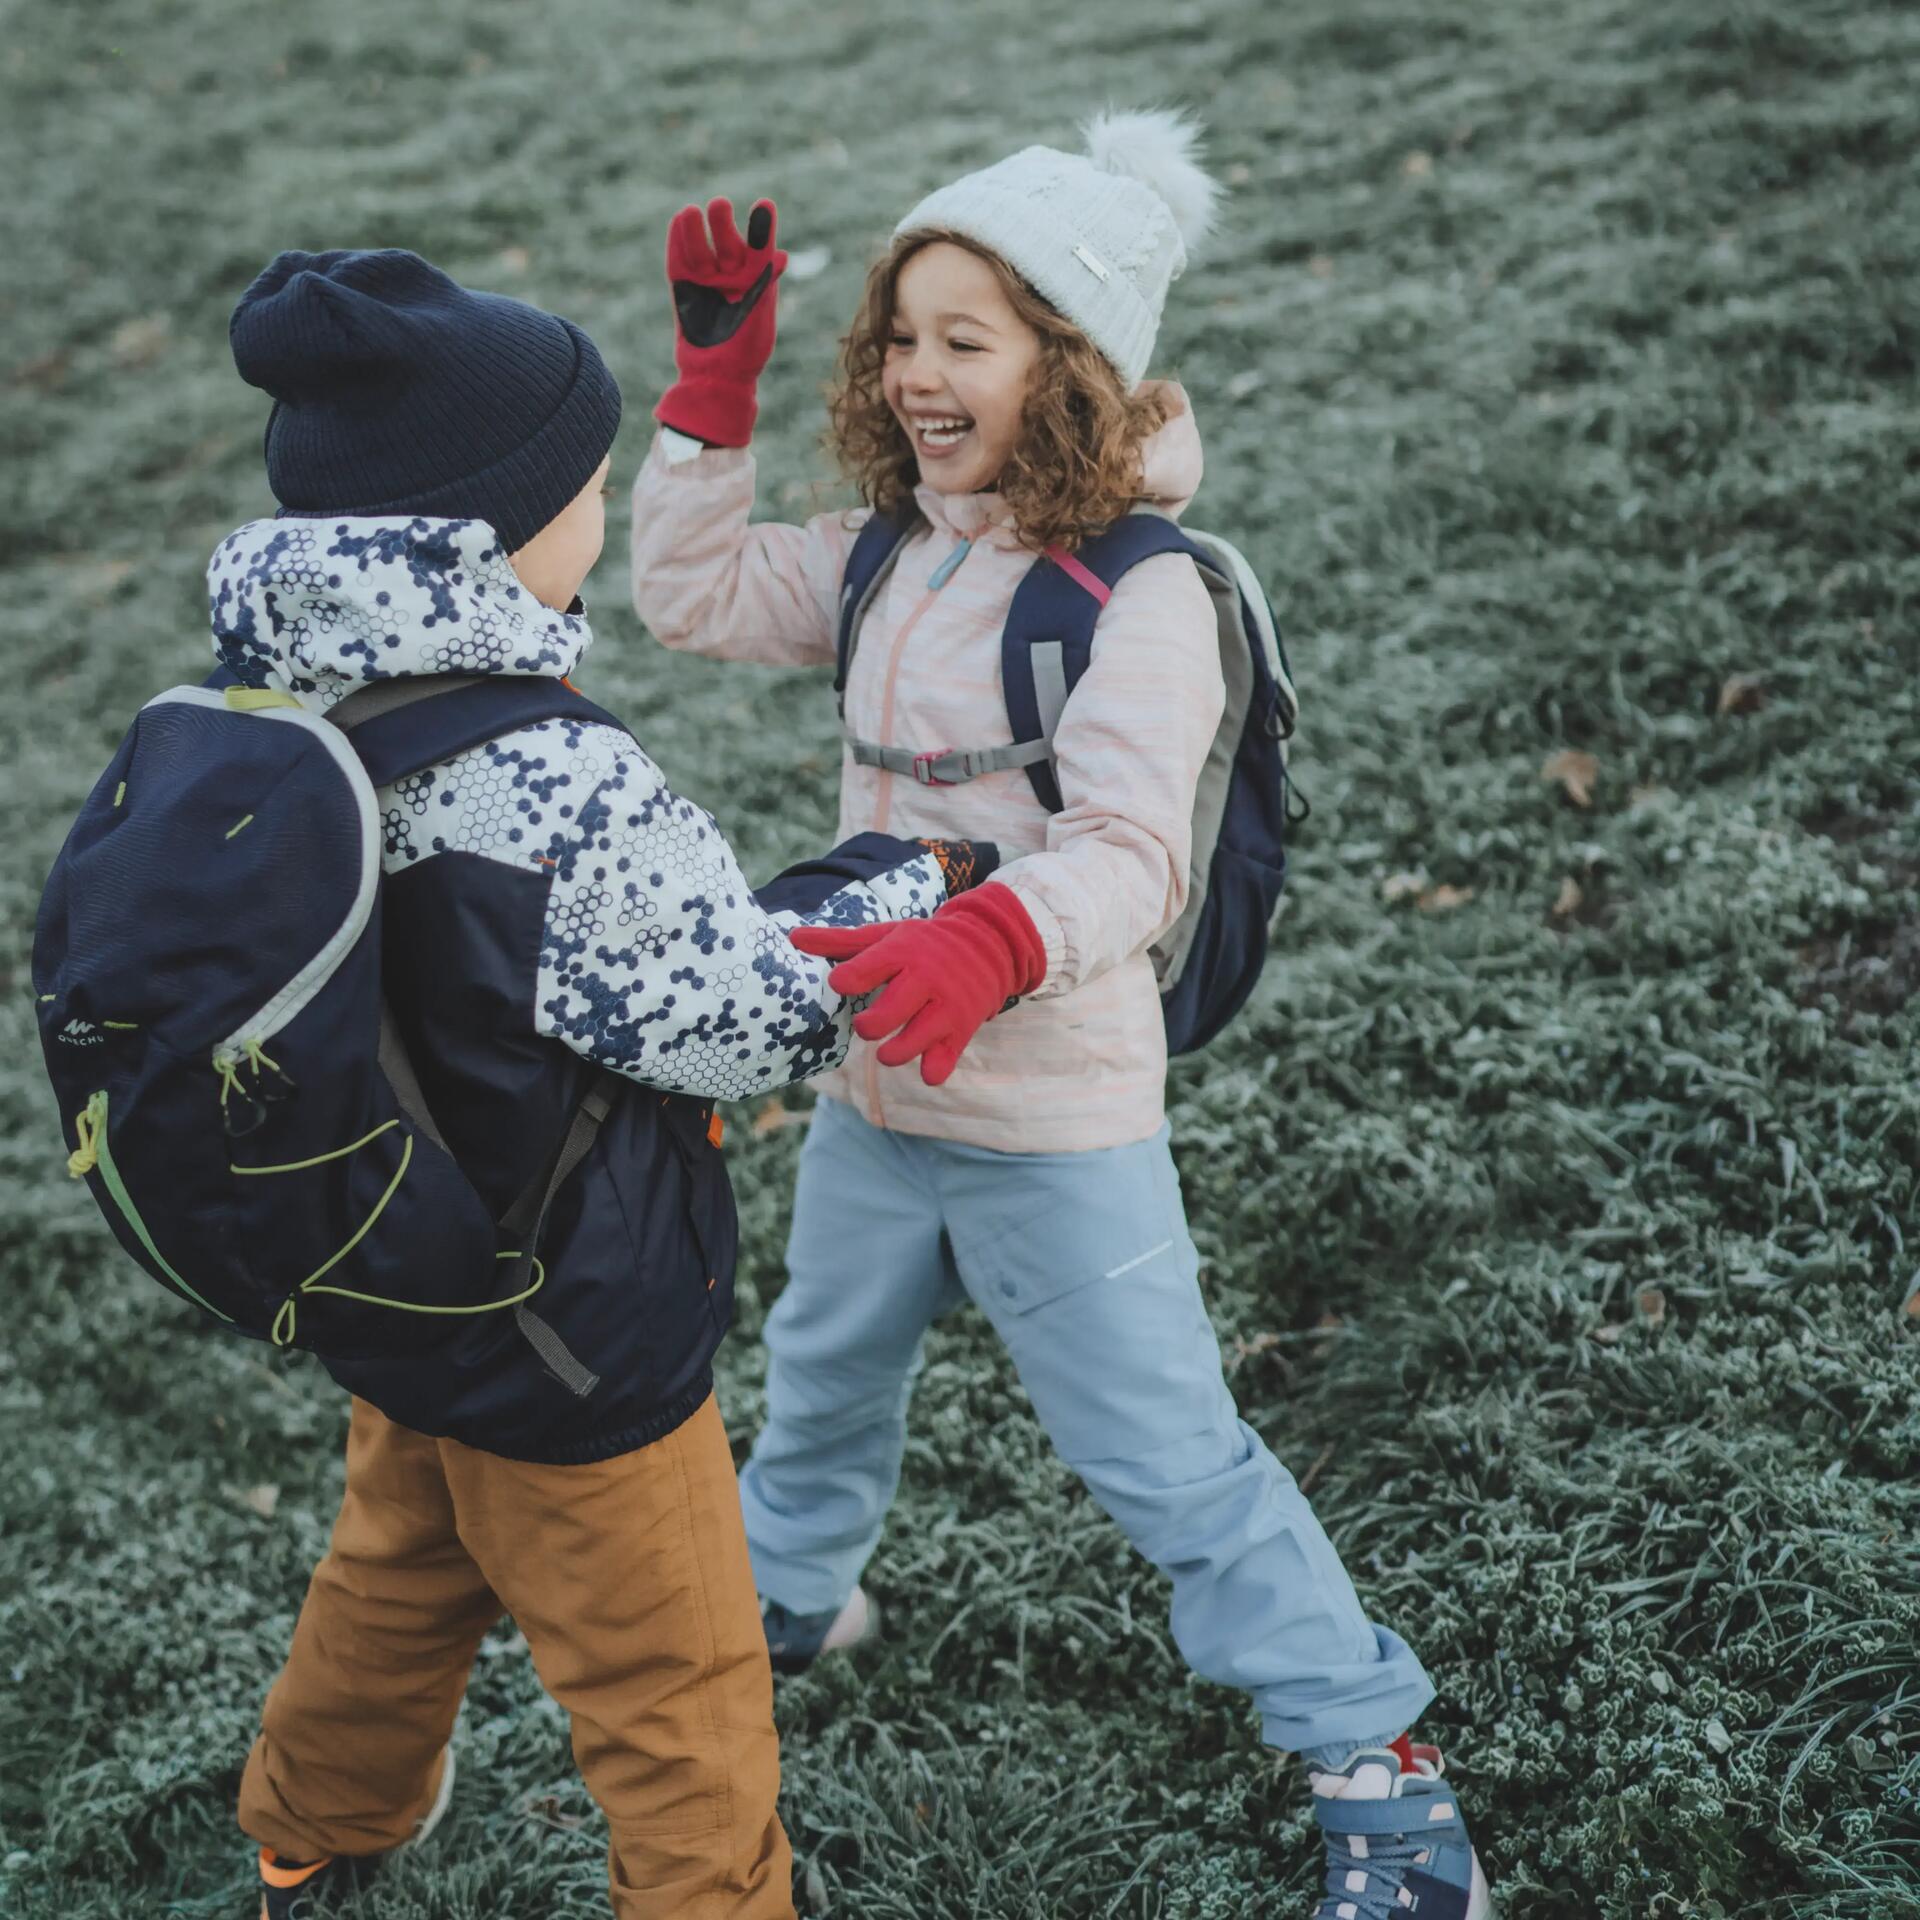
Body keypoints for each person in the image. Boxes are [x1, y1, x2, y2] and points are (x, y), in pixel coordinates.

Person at [630, 113, 1495, 1919]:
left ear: (1072, 365)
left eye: (970, 340)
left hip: (1053, 1121)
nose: (918, 374)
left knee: (1167, 1456)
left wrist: (988, 945)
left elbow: (1126, 854)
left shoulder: (1142, 592)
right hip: (881, 1095)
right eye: (901, 333)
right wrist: (712, 394)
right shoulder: (897, 552)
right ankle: (789, 1601)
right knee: (823, 1376)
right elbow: (692, 595)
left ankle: (1379, 1768)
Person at [218, 247, 993, 1920]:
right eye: (586, 478)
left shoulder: (284, 684)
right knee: (676, 1689)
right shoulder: (551, 775)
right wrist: (889, 882)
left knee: (395, 1570)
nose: (601, 502)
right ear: (487, 525)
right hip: (569, 1324)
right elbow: (745, 1021)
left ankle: (305, 1830)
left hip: (398, 1267)